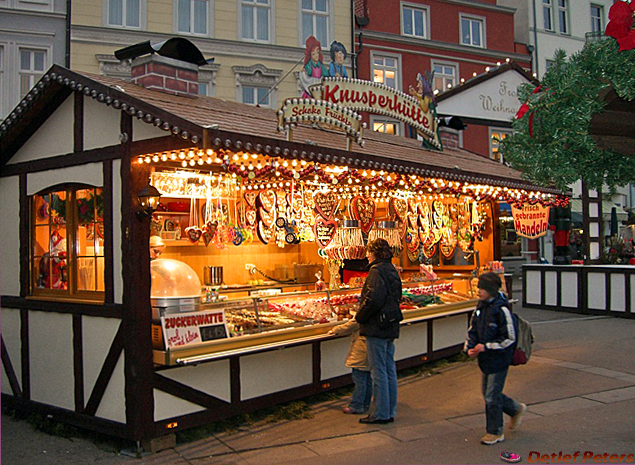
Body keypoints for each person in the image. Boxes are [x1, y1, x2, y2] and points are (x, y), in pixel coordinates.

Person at [465, 272, 526, 445]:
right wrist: (470, 347)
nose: (479, 291)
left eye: (482, 288)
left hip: (500, 358)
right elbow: (473, 329)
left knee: (491, 396)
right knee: (489, 393)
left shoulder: (502, 310)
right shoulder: (480, 307)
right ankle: (515, 409)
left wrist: (487, 346)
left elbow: (510, 338)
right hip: (486, 359)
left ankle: (495, 431)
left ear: (491, 290)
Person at [355, 238, 402, 424]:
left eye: (369, 252)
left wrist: (360, 316)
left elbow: (373, 299)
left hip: (377, 326)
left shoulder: (375, 271)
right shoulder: (391, 269)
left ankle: (379, 413)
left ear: (374, 253)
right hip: (390, 325)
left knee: (378, 371)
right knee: (389, 369)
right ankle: (390, 410)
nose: (367, 255)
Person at [328, 313, 372, 414]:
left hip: (361, 349)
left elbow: (351, 325)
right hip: (371, 347)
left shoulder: (365, 312)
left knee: (360, 380)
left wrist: (335, 330)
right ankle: (365, 404)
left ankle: (356, 405)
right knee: (368, 380)